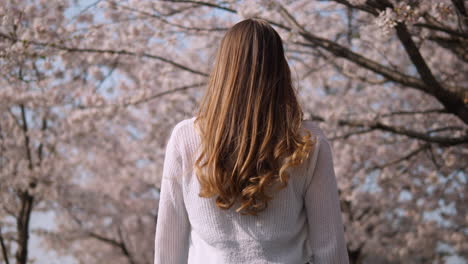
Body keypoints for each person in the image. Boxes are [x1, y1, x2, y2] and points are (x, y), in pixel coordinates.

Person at [154, 18, 349, 264]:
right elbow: (330, 250)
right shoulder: (307, 142)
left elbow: (168, 250)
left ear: (223, 69)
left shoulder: (186, 137)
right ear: (281, 70)